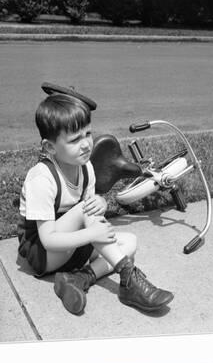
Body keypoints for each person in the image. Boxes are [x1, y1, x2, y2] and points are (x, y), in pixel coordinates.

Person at [17, 88, 174, 316]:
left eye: (88, 134)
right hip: (43, 253)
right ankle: (128, 277)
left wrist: (101, 201)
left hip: (72, 246)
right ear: (50, 147)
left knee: (130, 242)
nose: (86, 144)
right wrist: (91, 235)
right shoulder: (41, 177)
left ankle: (78, 278)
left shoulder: (86, 168)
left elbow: (90, 213)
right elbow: (48, 240)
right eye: (74, 140)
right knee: (86, 210)